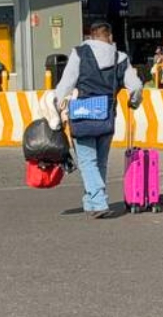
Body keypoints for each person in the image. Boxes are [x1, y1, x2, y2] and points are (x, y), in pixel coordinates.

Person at [52, 22, 144, 219]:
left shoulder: (79, 53)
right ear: (109, 36)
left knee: (87, 161)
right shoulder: (121, 57)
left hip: (83, 113)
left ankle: (99, 201)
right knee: (100, 162)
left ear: (91, 37)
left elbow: (65, 85)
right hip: (107, 114)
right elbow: (135, 86)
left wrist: (56, 107)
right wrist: (134, 102)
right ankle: (90, 201)